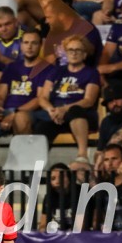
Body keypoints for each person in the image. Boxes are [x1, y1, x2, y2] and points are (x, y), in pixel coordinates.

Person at [37, 34, 100, 163]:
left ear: (84, 54)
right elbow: (42, 97)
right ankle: (37, 165)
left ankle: (82, 155)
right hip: (57, 116)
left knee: (75, 110)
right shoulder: (56, 71)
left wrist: (65, 109)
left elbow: (89, 100)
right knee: (41, 125)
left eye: (78, 50)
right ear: (66, 53)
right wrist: (51, 110)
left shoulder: (91, 73)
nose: (74, 53)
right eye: (70, 50)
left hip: (82, 115)